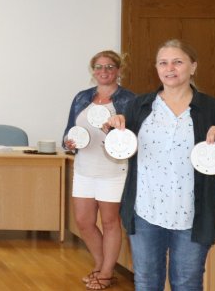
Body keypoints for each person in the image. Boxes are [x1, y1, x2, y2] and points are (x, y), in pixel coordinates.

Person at [107, 40, 215, 291]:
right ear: (156, 68)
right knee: (146, 282)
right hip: (145, 210)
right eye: (163, 63)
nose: (170, 68)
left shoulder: (214, 108)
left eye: (178, 61)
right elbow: (121, 148)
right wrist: (114, 128)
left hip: (193, 214)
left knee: (187, 283)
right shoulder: (139, 106)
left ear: (193, 67)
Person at [62, 51, 135, 290]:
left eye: (110, 67)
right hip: (84, 168)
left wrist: (113, 134)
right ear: (93, 71)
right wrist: (68, 143)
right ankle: (101, 264)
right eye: (99, 67)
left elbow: (133, 140)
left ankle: (104, 273)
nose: (104, 71)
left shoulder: (128, 100)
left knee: (110, 221)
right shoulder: (82, 97)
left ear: (119, 70)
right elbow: (68, 132)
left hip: (113, 170)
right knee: (83, 221)